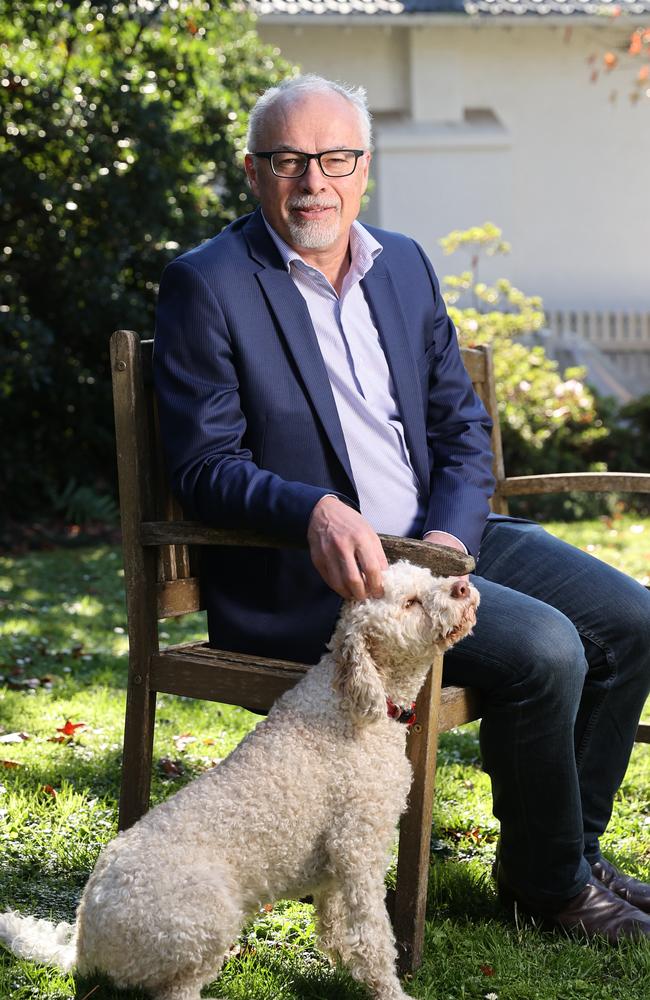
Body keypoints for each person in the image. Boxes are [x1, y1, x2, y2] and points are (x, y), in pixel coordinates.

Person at [153, 75, 650, 941]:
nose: (314, 179)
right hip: (329, 577)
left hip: (442, 535)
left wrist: (449, 540)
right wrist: (313, 509)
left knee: (633, 618)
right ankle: (556, 890)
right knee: (546, 648)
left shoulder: (404, 264)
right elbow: (205, 465)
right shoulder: (209, 284)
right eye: (288, 159)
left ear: (363, 168)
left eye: (334, 157)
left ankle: (567, 852)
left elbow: (462, 427)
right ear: (253, 171)